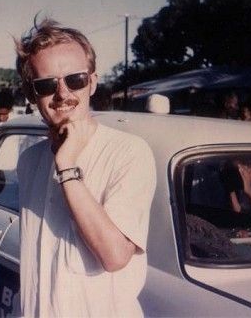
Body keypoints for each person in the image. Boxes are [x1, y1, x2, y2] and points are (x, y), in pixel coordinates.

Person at [14, 18, 156, 317]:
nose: (63, 94)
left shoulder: (128, 153)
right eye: (47, 85)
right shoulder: (30, 160)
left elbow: (115, 256)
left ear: (92, 82)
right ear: (31, 93)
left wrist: (66, 167)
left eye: (75, 79)